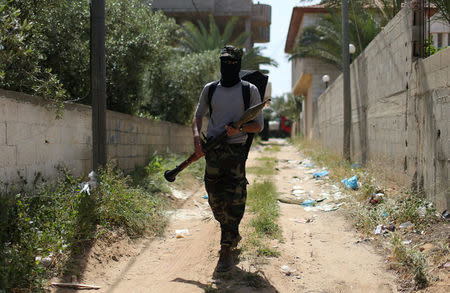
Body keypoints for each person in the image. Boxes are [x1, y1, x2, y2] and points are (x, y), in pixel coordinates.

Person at [192, 45, 263, 272]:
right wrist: (196, 141)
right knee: (214, 199)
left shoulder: (249, 90)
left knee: (235, 198)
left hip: (235, 151)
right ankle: (230, 230)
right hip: (213, 150)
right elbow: (198, 117)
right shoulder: (210, 89)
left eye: (232, 63)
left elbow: (258, 125)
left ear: (238, 64)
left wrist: (238, 129)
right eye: (224, 62)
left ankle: (226, 247)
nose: (228, 66)